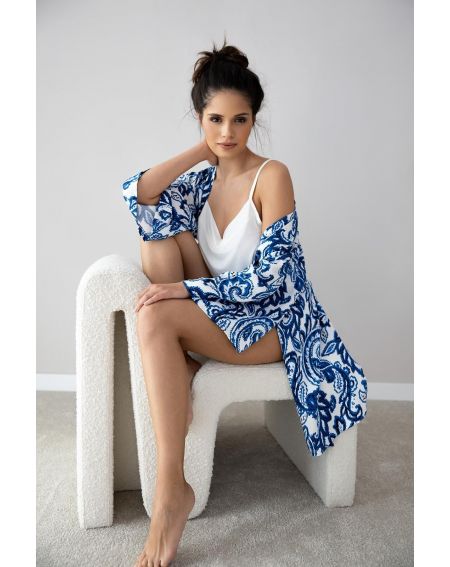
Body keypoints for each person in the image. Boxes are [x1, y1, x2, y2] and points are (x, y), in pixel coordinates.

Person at [123, 39, 368, 567]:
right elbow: (139, 195)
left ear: (255, 119)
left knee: (157, 311)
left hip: (277, 322)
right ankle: (179, 392)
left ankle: (170, 491)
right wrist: (201, 151)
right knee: (158, 234)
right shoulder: (204, 178)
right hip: (225, 314)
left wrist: (187, 290)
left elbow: (271, 278)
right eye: (215, 120)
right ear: (200, 119)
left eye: (240, 120)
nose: (228, 133)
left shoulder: (271, 175)